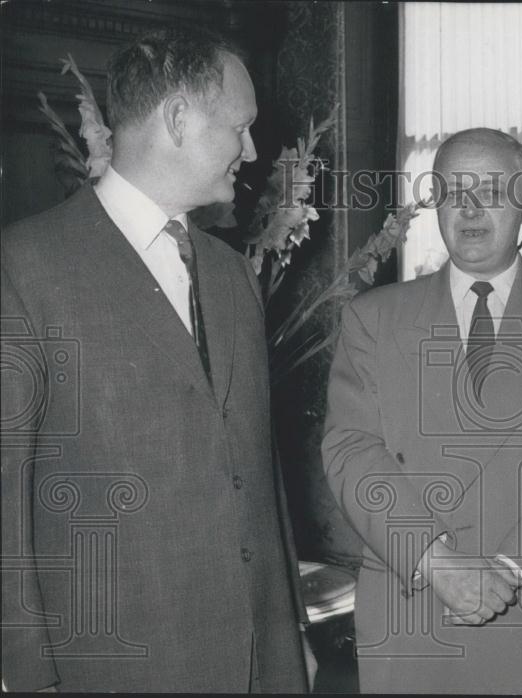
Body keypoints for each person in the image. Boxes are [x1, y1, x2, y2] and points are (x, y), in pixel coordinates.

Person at [1, 28, 307, 692]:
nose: (252, 151)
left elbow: (259, 476)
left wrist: (292, 643)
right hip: (113, 667)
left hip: (259, 663)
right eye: (241, 128)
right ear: (176, 118)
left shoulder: (231, 274)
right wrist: (27, 678)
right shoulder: (23, 268)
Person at [322, 127, 522, 693]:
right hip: (413, 618)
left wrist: (512, 570)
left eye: (491, 190)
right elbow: (351, 450)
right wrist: (436, 562)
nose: (468, 208)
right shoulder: (372, 318)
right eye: (450, 190)